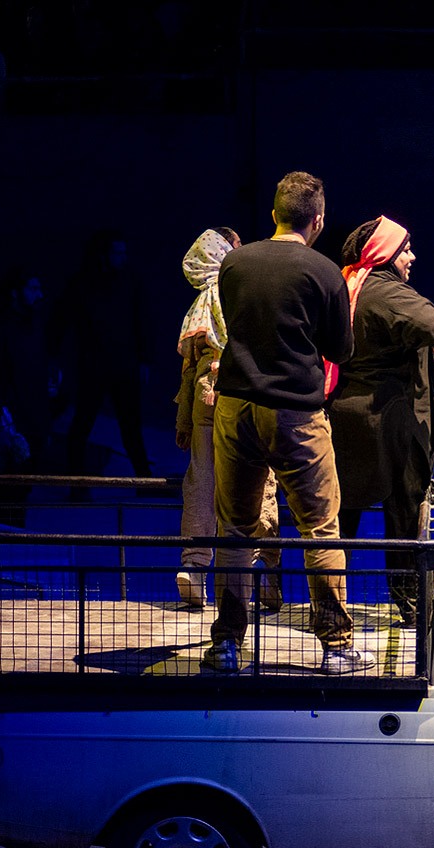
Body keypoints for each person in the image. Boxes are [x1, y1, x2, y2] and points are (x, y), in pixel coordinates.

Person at [205, 171, 373, 675]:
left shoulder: (234, 263)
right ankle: (337, 647)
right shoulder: (324, 272)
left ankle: (226, 645)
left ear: (274, 213)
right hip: (297, 413)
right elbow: (340, 349)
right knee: (320, 531)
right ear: (317, 220)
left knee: (236, 530)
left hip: (235, 408)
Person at [331, 216, 434, 624]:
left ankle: (331, 604)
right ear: (385, 253)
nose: (412, 256)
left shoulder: (350, 287)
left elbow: (395, 332)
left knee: (342, 516)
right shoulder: (387, 291)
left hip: (347, 418)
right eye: (405, 249)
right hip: (386, 421)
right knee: (403, 512)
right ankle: (410, 606)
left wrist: (424, 346)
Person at [172, 227, 282, 610]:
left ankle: (194, 565)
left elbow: (189, 369)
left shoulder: (201, 301)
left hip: (204, 393)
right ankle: (261, 566)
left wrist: (184, 421)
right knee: (257, 479)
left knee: (202, 479)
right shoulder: (242, 288)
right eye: (236, 246)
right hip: (241, 389)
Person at [59, 229, 152, 480]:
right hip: (95, 365)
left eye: (123, 252)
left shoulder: (129, 282)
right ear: (103, 254)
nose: (122, 257)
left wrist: (144, 359)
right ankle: (76, 483)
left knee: (130, 425)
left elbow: (141, 321)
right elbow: (63, 321)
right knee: (84, 422)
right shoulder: (82, 283)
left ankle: (144, 479)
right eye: (116, 252)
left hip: (123, 365)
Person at [0, 267, 55, 525]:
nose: (39, 295)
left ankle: (10, 532)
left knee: (21, 486)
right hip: (11, 420)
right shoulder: (0, 329)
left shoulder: (34, 327)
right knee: (7, 485)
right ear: (16, 292)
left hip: (33, 417)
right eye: (33, 289)